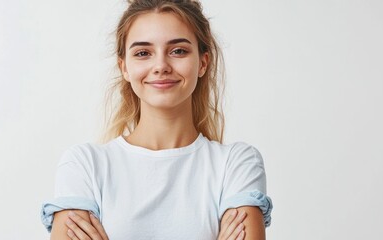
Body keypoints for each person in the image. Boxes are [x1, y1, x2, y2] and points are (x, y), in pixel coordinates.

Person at [41, 0, 273, 239]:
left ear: (203, 62)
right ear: (124, 68)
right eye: (143, 53)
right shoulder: (85, 165)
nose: (161, 65)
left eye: (178, 51)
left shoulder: (237, 164)